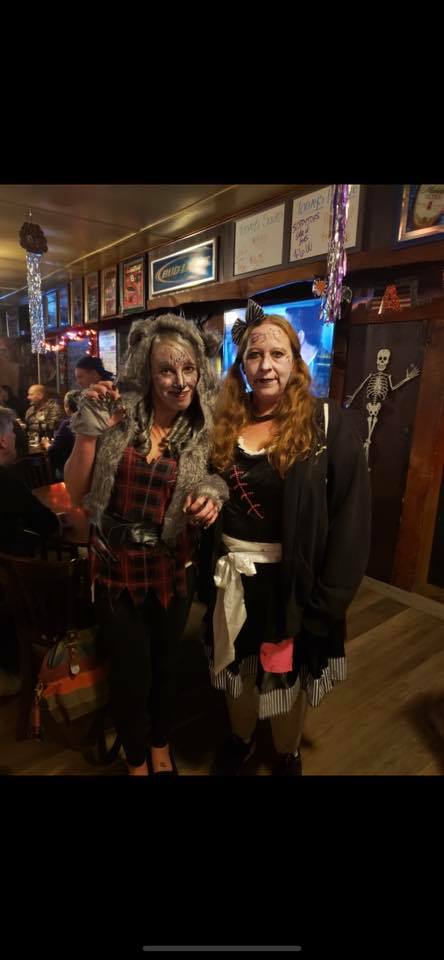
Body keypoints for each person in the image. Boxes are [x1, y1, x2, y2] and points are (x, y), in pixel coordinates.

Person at [204, 299, 371, 776]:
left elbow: (351, 519)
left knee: (285, 674)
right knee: (236, 667)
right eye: (255, 355)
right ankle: (240, 739)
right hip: (233, 579)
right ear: (241, 364)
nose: (266, 366)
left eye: (278, 354)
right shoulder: (225, 422)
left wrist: (328, 602)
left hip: (291, 588)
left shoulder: (326, 423)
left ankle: (286, 751)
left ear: (296, 362)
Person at [64, 314, 228, 776]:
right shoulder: (119, 415)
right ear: (148, 372)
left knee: (166, 667)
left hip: (173, 566)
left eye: (189, 369)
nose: (180, 381)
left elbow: (220, 477)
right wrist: (88, 430)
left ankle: (160, 743)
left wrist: (211, 494)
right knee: (129, 672)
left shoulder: (206, 426)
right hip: (115, 566)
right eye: (167, 370)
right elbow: (76, 491)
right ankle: (135, 755)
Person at [0, 405, 60, 687]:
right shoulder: (6, 481)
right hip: (11, 580)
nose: (16, 437)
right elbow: (47, 524)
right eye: (13, 432)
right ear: (3, 441)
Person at [41, 390, 80, 478]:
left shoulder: (68, 423)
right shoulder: (93, 422)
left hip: (71, 471)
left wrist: (46, 444)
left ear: (67, 407)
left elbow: (53, 450)